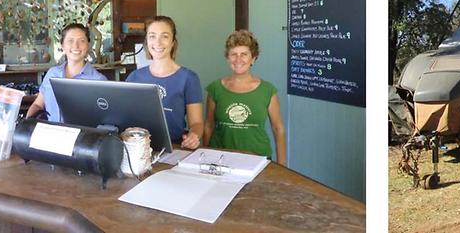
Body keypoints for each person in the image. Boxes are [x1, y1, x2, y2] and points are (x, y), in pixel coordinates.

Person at [204, 30, 287, 165]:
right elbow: (208, 125)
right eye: (233, 54)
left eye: (244, 54)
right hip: (221, 159)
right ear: (227, 58)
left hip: (258, 160)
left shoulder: (267, 90)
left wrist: (283, 166)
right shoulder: (215, 88)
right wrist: (206, 156)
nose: (238, 60)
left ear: (253, 58)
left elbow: (278, 129)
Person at [126, 16, 203, 150]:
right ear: (146, 41)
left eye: (165, 36)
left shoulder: (189, 78)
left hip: (175, 148)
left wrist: (194, 135)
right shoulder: (134, 77)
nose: (158, 42)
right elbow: (124, 116)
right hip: (139, 148)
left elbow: (197, 123)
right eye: (152, 36)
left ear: (173, 42)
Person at [27, 23, 107, 122]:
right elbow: (37, 105)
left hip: (83, 136)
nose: (76, 46)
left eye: (82, 41)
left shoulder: (99, 80)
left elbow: (105, 120)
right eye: (70, 41)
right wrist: (26, 125)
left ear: (88, 45)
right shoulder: (52, 74)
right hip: (51, 134)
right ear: (63, 46)